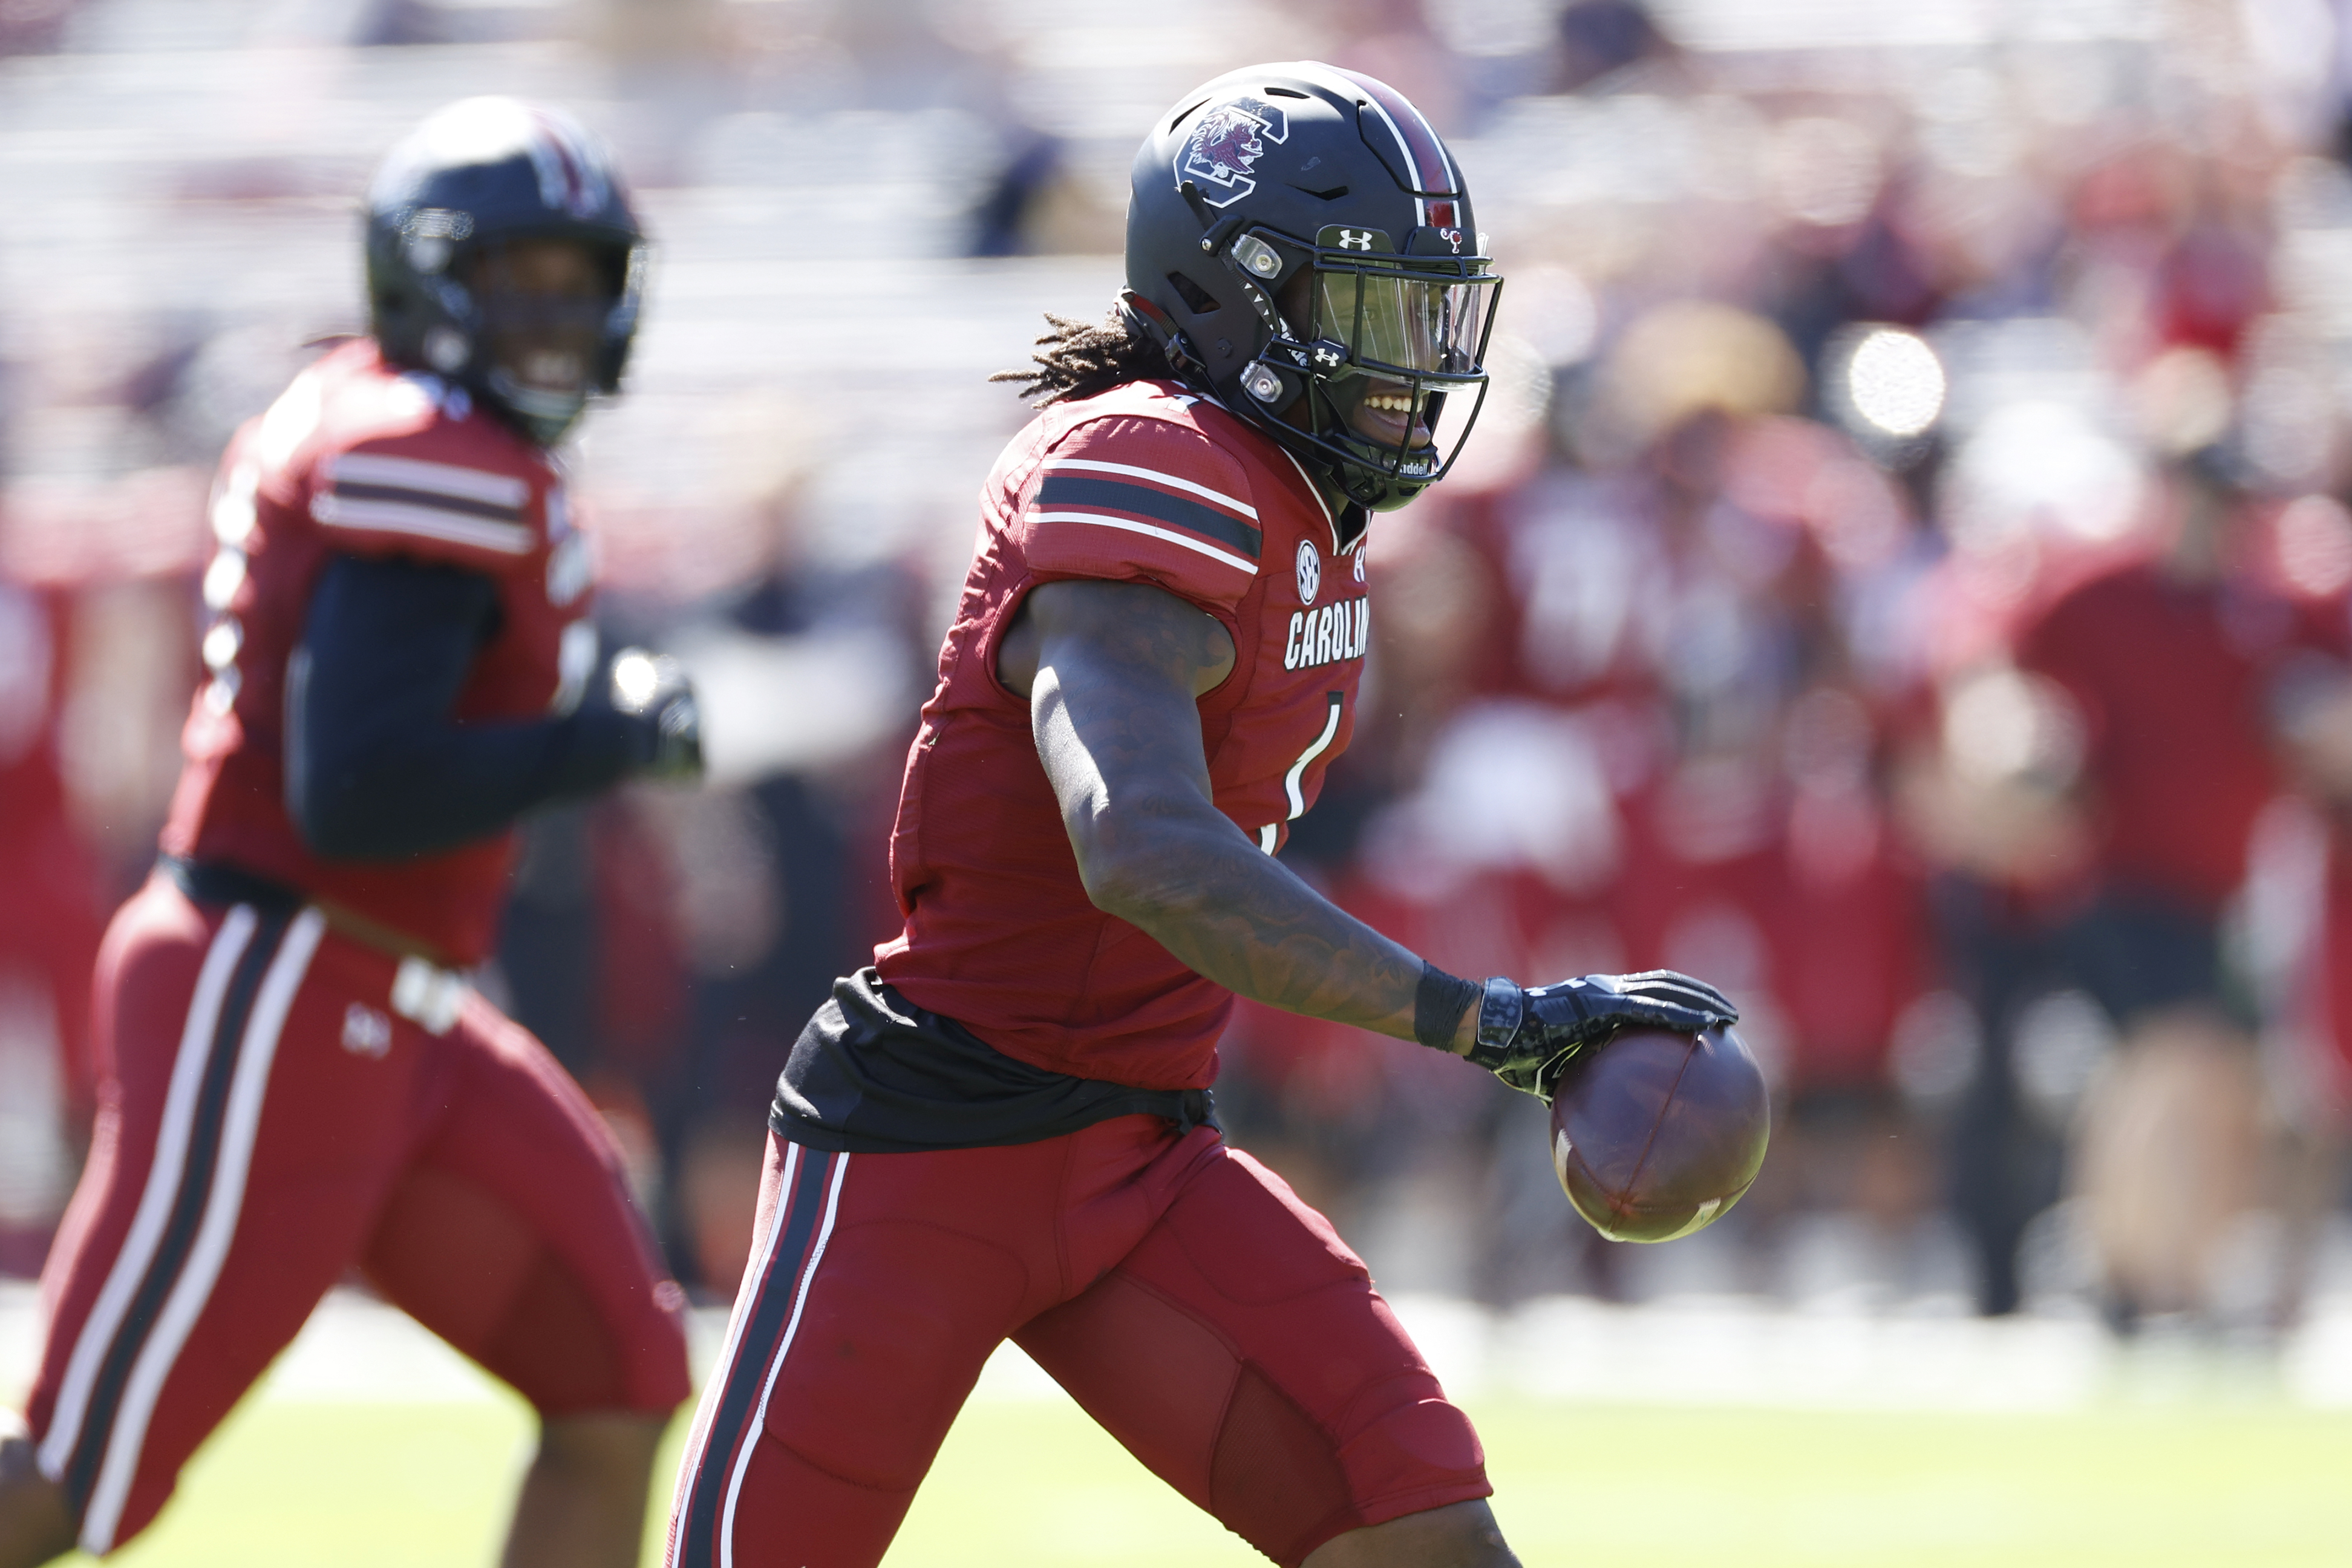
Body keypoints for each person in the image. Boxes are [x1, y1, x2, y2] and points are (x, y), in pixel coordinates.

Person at [666, 64, 1737, 1568]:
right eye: (1370, 311)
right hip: (930, 1139)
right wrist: (1495, 1024)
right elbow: (1144, 849)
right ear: (1240, 299)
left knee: (1423, 1531)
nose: (1410, 360)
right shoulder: (1150, 460)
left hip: (1140, 1145)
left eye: (1427, 311)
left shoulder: (1298, 499)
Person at [0, 97, 703, 1567]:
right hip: (274, 989)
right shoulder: (423, 456)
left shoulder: (419, 431)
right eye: (520, 277)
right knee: (66, 1483)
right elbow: (361, 787)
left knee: (617, 1386)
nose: (555, 317)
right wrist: (608, 738)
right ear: (421, 275)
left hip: (392, 1007)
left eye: (579, 282)